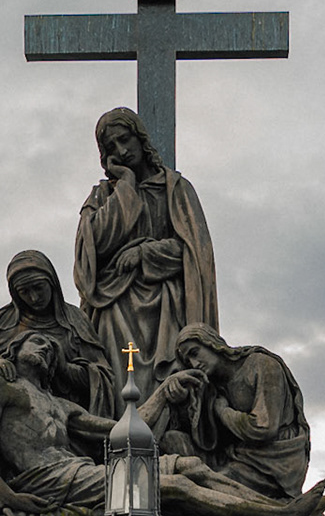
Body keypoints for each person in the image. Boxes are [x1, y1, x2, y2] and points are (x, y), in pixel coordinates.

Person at [0, 333, 325, 516]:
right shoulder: (0, 386)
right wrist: (11, 498)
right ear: (15, 349)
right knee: (173, 485)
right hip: (46, 481)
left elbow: (123, 430)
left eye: (51, 348)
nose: (45, 349)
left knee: (190, 466)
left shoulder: (59, 404)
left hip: (77, 473)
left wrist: (165, 391)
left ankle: (281, 508)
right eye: (37, 342)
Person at [0, 251, 115, 511]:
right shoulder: (3, 321)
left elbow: (100, 374)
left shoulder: (75, 321)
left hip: (64, 414)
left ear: (52, 283)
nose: (34, 297)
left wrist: (61, 367)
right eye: (25, 292)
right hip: (17, 413)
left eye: (39, 288)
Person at [73, 108, 217, 400]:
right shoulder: (103, 196)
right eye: (111, 146)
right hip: (115, 306)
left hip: (165, 305)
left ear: (140, 137)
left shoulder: (175, 190)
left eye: (125, 139)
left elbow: (193, 253)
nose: (122, 150)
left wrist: (145, 253)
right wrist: (125, 184)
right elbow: (90, 252)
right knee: (118, 387)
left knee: (168, 386)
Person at [155, 325, 311, 500]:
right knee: (172, 440)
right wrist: (182, 399)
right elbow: (206, 439)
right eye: (188, 360)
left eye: (195, 352)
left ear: (211, 343)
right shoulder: (213, 384)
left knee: (204, 485)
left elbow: (264, 428)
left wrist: (222, 411)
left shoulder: (262, 365)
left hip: (273, 460)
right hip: (238, 454)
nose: (194, 363)